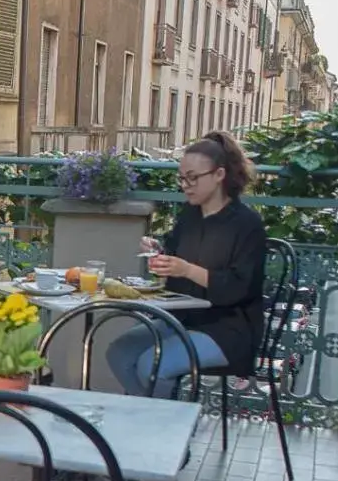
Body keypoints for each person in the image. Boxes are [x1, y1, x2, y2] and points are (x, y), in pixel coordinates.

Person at [106, 131, 267, 399]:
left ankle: (161, 433)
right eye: (182, 178)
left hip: (228, 330)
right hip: (182, 317)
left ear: (219, 175)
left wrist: (187, 270)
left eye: (193, 177)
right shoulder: (191, 215)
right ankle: (154, 422)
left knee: (151, 365)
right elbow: (174, 257)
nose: (186, 185)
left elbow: (239, 287)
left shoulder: (246, 224)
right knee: (119, 352)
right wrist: (158, 252)